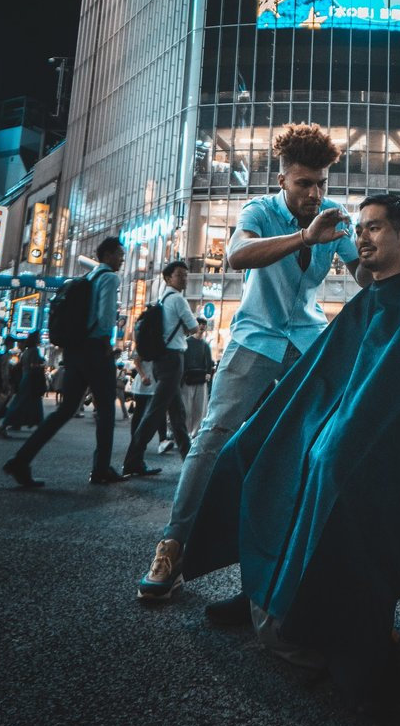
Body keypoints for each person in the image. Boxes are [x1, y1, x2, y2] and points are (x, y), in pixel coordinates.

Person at [181, 194, 400, 714]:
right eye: (359, 230)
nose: (362, 238)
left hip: (391, 443)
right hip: (345, 423)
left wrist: (342, 432)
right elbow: (325, 380)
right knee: (250, 447)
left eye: (375, 228)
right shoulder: (365, 303)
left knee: (330, 467)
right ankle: (261, 587)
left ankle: (324, 623)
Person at [137, 121, 366, 604]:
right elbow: (238, 255)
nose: (315, 191)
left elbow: (364, 273)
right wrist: (305, 236)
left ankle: (303, 560)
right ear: (282, 180)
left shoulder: (334, 215)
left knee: (326, 440)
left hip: (307, 338)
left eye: (321, 182)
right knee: (213, 436)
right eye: (304, 182)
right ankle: (173, 546)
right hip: (256, 337)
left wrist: (386, 261)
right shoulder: (259, 209)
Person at [2, 235, 126, 488]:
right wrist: (106, 344)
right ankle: (101, 468)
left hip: (74, 351)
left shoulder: (88, 278)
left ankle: (22, 460)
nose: (123, 259)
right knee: (105, 410)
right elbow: (105, 317)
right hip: (95, 350)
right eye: (120, 254)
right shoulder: (110, 278)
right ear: (109, 254)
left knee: (66, 409)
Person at [121, 260, 199, 476]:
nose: (184, 278)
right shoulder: (178, 300)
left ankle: (189, 460)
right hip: (173, 360)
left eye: (185, 275)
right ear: (167, 278)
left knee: (177, 413)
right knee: (156, 412)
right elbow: (193, 327)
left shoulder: (161, 300)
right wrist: (185, 329)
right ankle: (132, 460)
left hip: (160, 361)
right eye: (180, 275)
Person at [181, 318, 214, 439]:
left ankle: (194, 434)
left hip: (201, 379)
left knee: (200, 409)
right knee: (187, 408)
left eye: (204, 324)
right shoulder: (186, 342)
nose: (202, 326)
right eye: (200, 324)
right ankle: (185, 433)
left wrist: (209, 373)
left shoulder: (205, 345)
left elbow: (209, 362)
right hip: (188, 378)